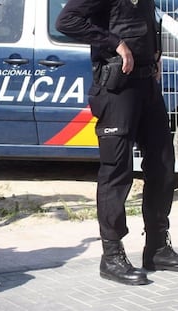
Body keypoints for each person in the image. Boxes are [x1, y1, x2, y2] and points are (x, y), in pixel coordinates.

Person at [56, 0, 178, 285]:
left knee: (163, 167)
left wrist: (155, 52)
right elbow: (66, 21)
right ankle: (111, 257)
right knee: (116, 173)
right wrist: (115, 43)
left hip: (147, 84)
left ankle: (157, 248)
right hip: (117, 87)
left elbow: (146, 19)